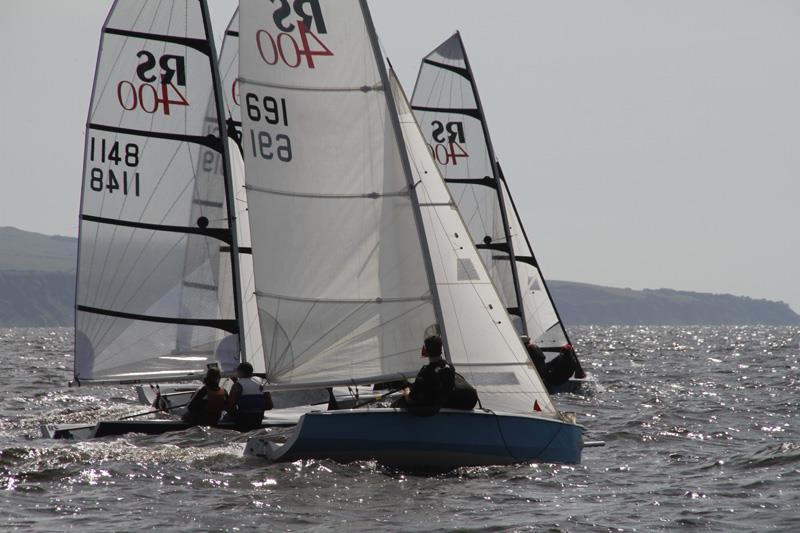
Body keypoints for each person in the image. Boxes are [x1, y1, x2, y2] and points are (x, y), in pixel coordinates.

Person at [394, 335, 455, 415]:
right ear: (441, 349)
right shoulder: (450, 367)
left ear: (425, 350)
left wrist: (406, 389)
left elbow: (410, 399)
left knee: (398, 402)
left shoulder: (425, 373)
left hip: (426, 411)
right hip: (442, 406)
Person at [225, 362, 273, 429]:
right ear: (251, 371)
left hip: (244, 418)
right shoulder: (262, 382)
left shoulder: (238, 385)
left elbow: (231, 406)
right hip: (258, 417)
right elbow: (270, 406)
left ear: (240, 372)